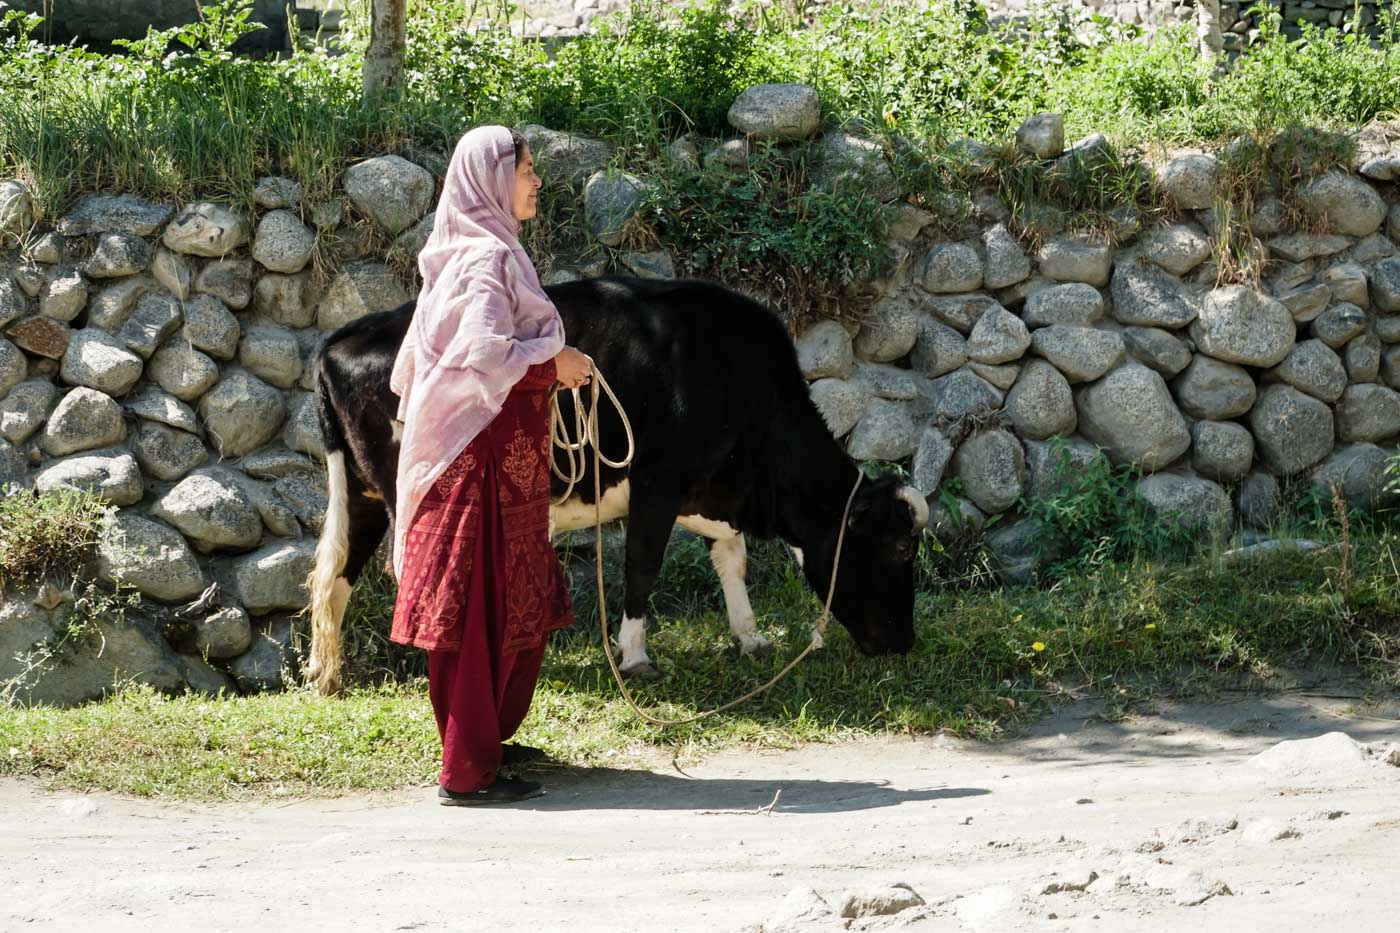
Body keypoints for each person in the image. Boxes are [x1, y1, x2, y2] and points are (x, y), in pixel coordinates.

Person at [388, 125, 593, 806]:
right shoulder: (483, 262)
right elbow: (480, 354)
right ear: (490, 178)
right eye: (525, 169)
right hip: (480, 465)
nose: (536, 181)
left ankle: (480, 742)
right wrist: (555, 364)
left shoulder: (479, 253)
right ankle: (467, 771)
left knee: (497, 608)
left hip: (497, 461)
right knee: (479, 613)